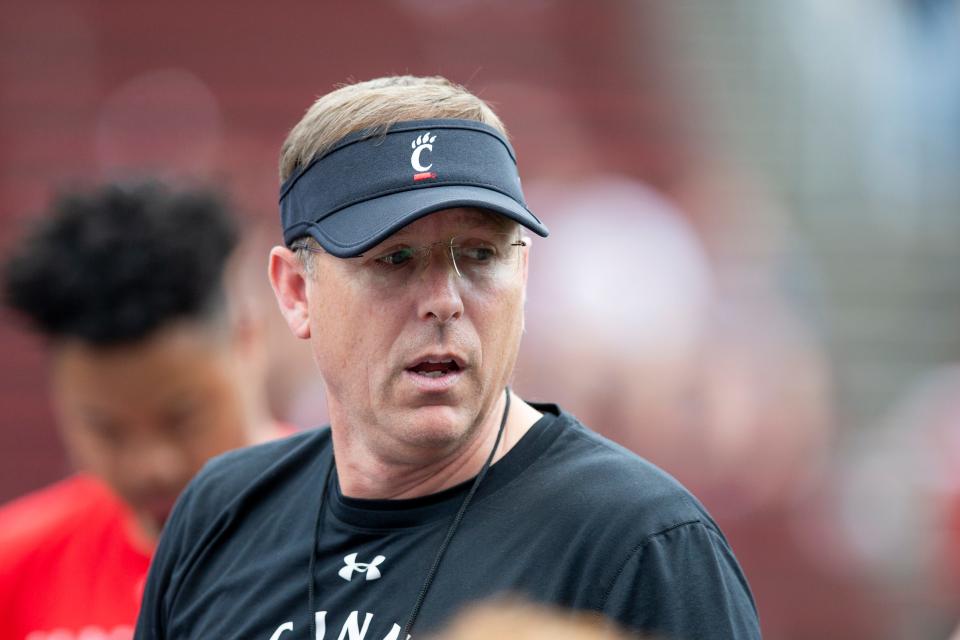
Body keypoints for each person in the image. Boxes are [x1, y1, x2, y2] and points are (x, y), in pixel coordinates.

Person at [135, 76, 761, 640]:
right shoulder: (220, 518)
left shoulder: (640, 545)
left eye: (481, 255)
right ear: (297, 292)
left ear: (524, 272)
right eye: (394, 259)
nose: (444, 301)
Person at [0, 182, 287, 640]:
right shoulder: (14, 567)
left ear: (248, 339)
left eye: (183, 418)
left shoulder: (372, 536)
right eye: (106, 430)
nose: (151, 466)